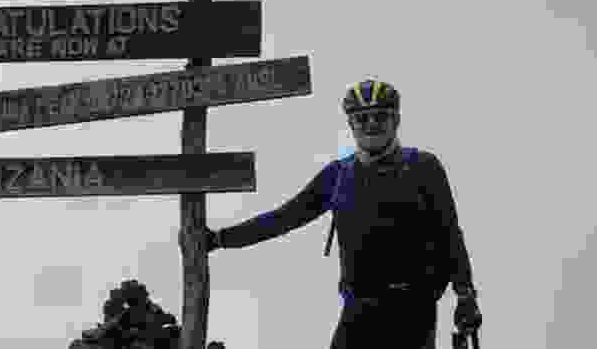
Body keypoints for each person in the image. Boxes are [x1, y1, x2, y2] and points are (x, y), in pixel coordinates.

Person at [180, 79, 482, 348]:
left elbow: (449, 233)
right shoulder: (338, 175)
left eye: (381, 117)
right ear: (350, 124)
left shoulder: (424, 167)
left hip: (413, 310)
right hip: (358, 309)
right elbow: (284, 218)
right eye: (362, 119)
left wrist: (465, 294)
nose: (371, 124)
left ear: (396, 120)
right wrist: (219, 239)